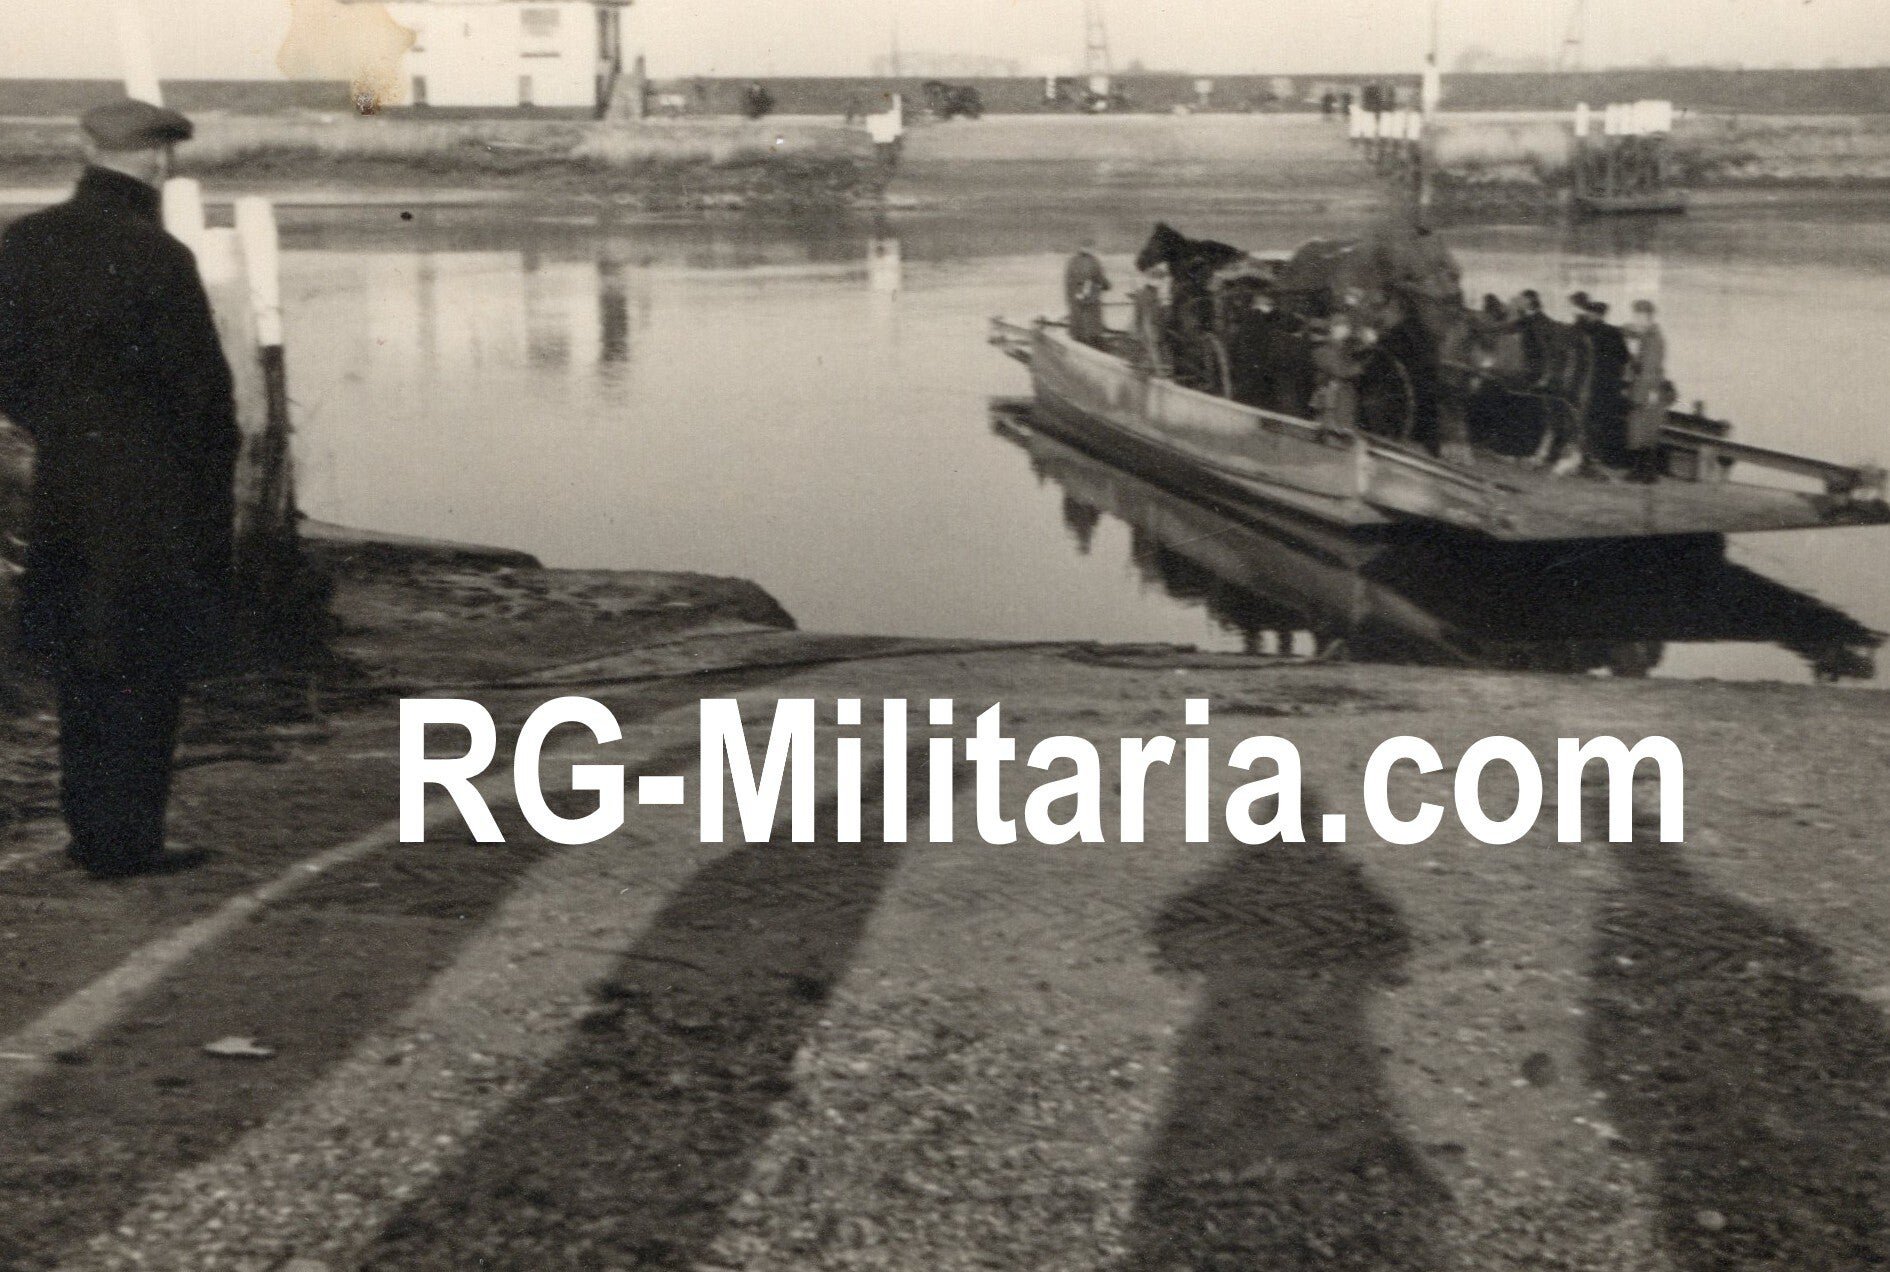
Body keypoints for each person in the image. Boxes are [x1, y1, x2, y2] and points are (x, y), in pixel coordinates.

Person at [0, 100, 238, 879]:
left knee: (80, 663)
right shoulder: (159, 255)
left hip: (66, 482)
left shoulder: (22, 243)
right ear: (162, 163)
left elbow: (8, 375)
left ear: (82, 148)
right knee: (145, 670)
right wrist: (211, 504)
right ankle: (128, 842)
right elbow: (205, 401)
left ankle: (89, 834)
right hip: (156, 491)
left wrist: (59, 429)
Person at [1562, 291, 1630, 475]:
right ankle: (1592, 460)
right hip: (1608, 386)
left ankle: (1585, 460)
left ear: (1596, 315)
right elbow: (1625, 358)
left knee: (1585, 422)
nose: (1589, 316)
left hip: (1590, 384)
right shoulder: (1614, 332)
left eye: (1591, 314)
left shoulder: (1587, 333)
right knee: (1597, 423)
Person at [1623, 299, 1668, 483]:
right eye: (1635, 315)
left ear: (1647, 317)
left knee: (1644, 431)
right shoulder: (1647, 335)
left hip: (1647, 389)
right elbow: (1625, 330)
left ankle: (1645, 472)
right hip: (1642, 387)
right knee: (1639, 430)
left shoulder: (1654, 339)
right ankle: (1641, 471)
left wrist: (1650, 393)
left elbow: (1651, 368)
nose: (1636, 319)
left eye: (1639, 316)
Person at [1064, 235, 1111, 347]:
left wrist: (1072, 297)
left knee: (1079, 325)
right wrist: (1107, 286)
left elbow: (1068, 282)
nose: (1092, 250)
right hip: (1090, 299)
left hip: (1076, 298)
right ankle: (1092, 344)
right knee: (1092, 326)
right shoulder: (1094, 262)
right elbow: (1100, 279)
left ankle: (1079, 341)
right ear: (1089, 248)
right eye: (1091, 247)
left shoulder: (1072, 261)